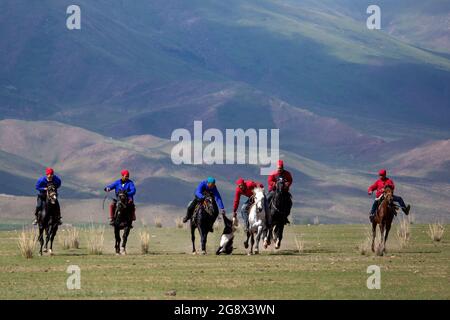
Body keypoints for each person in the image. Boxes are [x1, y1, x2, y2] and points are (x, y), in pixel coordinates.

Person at [267, 160, 293, 224]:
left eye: (281, 168)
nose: (279, 170)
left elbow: (290, 180)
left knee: (289, 201)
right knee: (267, 198)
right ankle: (266, 214)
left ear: (283, 168)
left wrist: (286, 185)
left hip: (284, 191)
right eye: (278, 168)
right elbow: (269, 181)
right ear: (276, 168)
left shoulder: (287, 173)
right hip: (274, 190)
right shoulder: (273, 173)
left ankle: (285, 216)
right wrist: (275, 184)